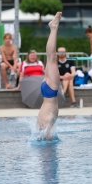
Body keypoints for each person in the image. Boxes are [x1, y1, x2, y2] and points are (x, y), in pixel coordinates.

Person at [36, 12, 62, 140]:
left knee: (52, 58)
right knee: (51, 59)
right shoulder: (41, 122)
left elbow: (48, 138)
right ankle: (53, 27)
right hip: (47, 93)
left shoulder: (44, 124)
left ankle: (54, 27)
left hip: (50, 93)